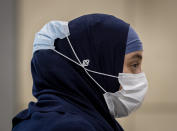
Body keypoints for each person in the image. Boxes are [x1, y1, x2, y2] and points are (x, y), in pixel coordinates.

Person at [12, 13, 148, 131]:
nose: (140, 75)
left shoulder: (39, 118)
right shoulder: (69, 127)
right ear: (94, 66)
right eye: (134, 65)